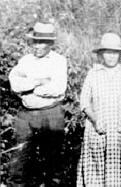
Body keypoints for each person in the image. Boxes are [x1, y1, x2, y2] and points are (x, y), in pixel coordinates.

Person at [76, 33, 121, 187]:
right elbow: (84, 103)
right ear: (101, 54)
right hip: (99, 131)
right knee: (97, 174)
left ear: (120, 54)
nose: (111, 56)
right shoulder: (93, 74)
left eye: (114, 52)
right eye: (108, 52)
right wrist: (95, 119)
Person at [8, 21, 67, 186]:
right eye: (35, 41)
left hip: (51, 113)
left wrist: (30, 87)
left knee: (53, 161)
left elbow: (57, 88)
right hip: (25, 114)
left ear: (50, 43)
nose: (37, 46)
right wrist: (39, 81)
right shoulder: (26, 60)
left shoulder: (59, 61)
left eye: (41, 42)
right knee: (19, 160)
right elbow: (15, 84)